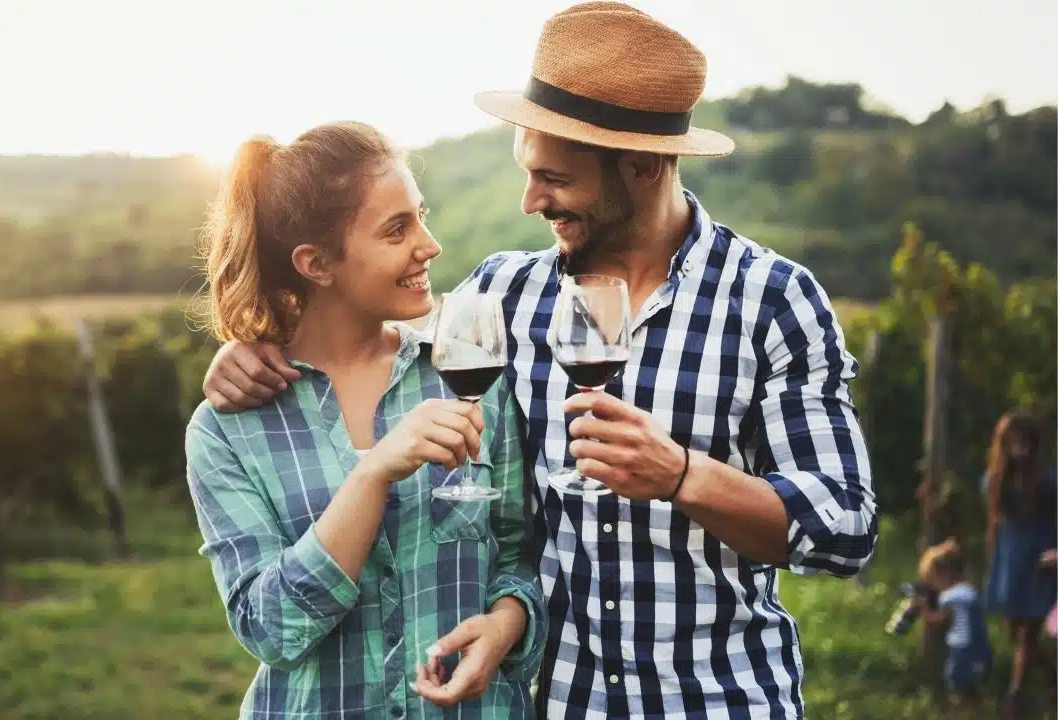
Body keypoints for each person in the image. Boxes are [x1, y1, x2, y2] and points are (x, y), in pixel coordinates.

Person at [200, 4, 878, 718]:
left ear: (643, 166)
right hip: (561, 702)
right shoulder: (502, 296)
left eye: (554, 177)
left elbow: (845, 527)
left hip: (718, 700)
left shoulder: (774, 300)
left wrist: (683, 476)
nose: (531, 200)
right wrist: (254, 344)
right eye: (528, 172)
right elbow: (360, 327)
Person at [184, 121, 547, 719]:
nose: (428, 245)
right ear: (317, 264)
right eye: (396, 230)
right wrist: (372, 473)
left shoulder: (468, 375)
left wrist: (508, 624)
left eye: (420, 216)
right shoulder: (227, 429)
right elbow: (270, 631)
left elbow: (518, 554)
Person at [981, 409, 1057, 716]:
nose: (1019, 450)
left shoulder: (1049, 482)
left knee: (1028, 633)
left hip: (1040, 561)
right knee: (1014, 631)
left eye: (1025, 443)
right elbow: (994, 522)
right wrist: (993, 559)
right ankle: (1054, 678)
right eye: (1013, 443)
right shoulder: (993, 481)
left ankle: (1014, 701)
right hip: (1009, 562)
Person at [915, 538, 993, 707]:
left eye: (933, 580)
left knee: (958, 689)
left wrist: (924, 609)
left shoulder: (952, 596)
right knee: (972, 690)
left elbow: (938, 620)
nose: (935, 587)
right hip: (980, 650)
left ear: (944, 574)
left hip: (963, 651)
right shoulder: (969, 591)